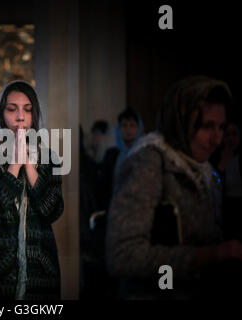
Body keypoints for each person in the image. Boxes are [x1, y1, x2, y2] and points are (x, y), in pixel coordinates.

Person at [106, 75, 242, 299]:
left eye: (221, 127)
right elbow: (123, 256)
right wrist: (211, 255)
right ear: (181, 120)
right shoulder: (150, 161)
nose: (217, 139)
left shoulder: (202, 167)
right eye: (207, 126)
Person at [0, 80, 64, 300]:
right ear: (1, 114)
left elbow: (53, 211)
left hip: (41, 273)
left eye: (27, 110)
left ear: (34, 115)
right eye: (12, 109)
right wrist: (14, 166)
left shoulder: (48, 158)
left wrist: (30, 167)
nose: (20, 117)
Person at [100, 107, 144, 211]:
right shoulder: (111, 155)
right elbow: (104, 187)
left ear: (139, 129)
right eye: (124, 125)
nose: (128, 130)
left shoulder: (143, 154)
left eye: (132, 125)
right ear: (119, 129)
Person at [210, 121, 242, 240]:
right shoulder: (216, 157)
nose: (231, 139)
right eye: (227, 135)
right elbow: (214, 185)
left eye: (234, 134)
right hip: (226, 207)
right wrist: (222, 163)